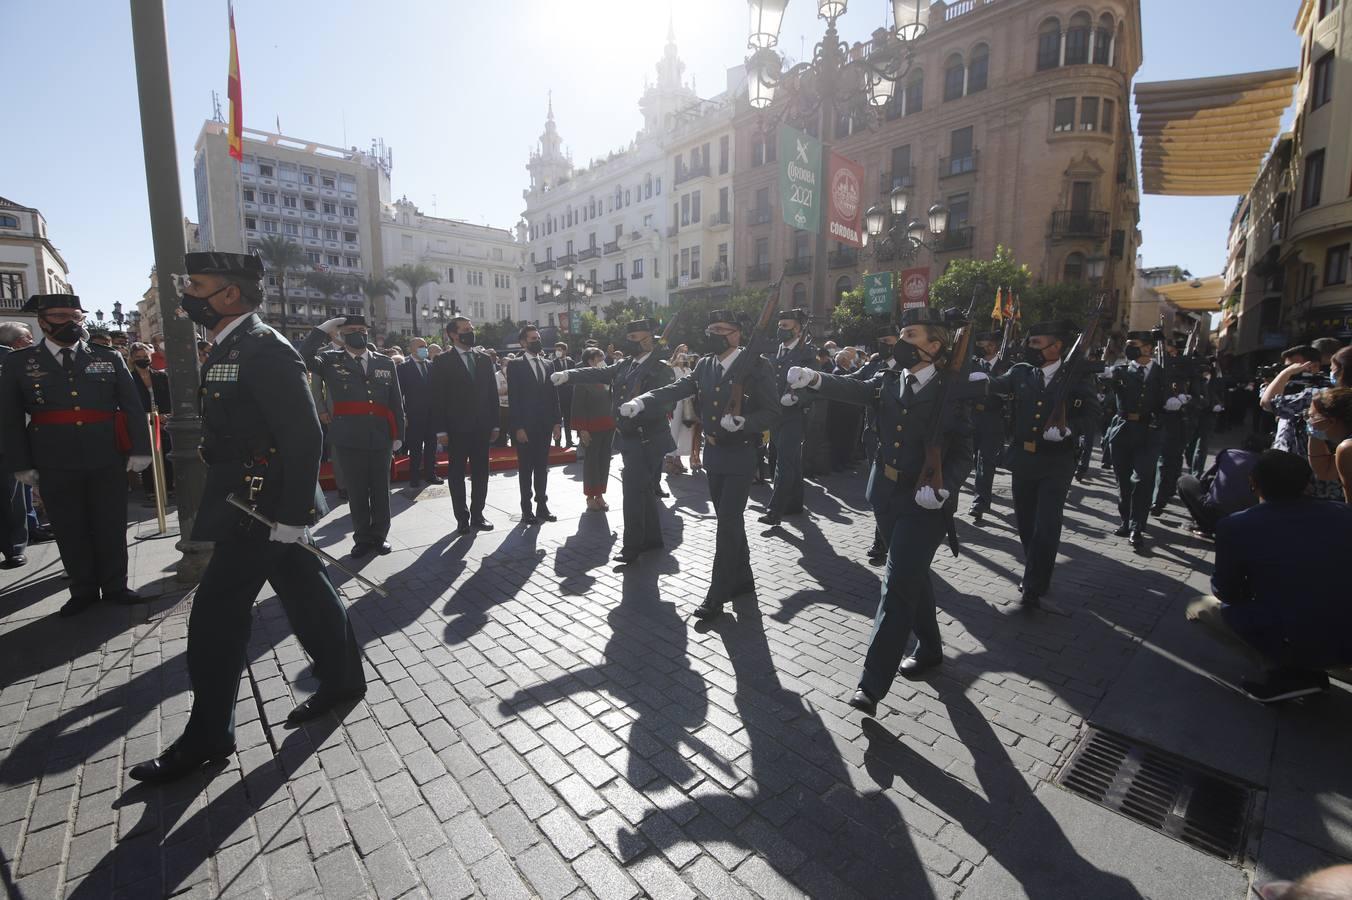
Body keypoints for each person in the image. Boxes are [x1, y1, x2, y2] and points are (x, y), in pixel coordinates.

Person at [129, 251, 365, 783]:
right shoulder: (231, 344)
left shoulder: (263, 347)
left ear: (230, 294)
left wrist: (293, 515)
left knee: (213, 617)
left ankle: (209, 736)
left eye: (199, 285)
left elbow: (305, 434)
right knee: (308, 593)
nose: (189, 294)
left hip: (264, 507)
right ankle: (344, 679)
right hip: (248, 498)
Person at [788, 307, 974, 716]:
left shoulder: (954, 389)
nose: (900, 343)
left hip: (924, 500)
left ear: (934, 345)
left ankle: (871, 684)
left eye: (910, 335)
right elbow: (854, 390)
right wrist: (816, 378)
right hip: (885, 493)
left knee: (896, 582)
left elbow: (964, 452)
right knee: (911, 574)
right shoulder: (890, 379)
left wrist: (946, 485)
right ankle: (930, 648)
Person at [0, 295, 151, 615]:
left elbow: (132, 406)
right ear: (42, 321)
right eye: (60, 316)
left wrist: (140, 449)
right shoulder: (20, 362)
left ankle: (115, 585)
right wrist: (20, 463)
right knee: (69, 526)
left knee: (111, 522)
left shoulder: (107, 357)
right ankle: (82, 590)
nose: (70, 323)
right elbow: (10, 417)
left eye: (75, 317)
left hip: (105, 453)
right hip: (53, 457)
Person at [623, 310, 778, 619]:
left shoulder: (757, 365)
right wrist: (645, 400)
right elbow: (680, 389)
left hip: (740, 454)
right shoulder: (706, 364)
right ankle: (743, 580)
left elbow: (773, 412)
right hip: (715, 455)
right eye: (711, 328)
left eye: (721, 328)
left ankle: (717, 594)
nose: (714, 333)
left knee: (727, 524)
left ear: (736, 333)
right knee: (729, 521)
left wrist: (745, 421)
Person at [1186, 450, 1352, 702]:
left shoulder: (1236, 526)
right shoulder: (1344, 513)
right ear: (1309, 484)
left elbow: (1226, 591)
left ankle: (1285, 671)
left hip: (1297, 637)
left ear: (1253, 483)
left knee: (1199, 607)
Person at [982, 321, 1100, 608]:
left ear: (1056, 346)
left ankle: (1035, 581)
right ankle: (1036, 566)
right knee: (1025, 522)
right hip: (1024, 458)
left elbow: (1094, 416)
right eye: (1030, 342)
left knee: (1046, 524)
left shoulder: (1077, 377)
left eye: (1037, 343)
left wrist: (1069, 428)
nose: (1029, 348)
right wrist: (972, 377)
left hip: (1056, 461)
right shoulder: (1022, 373)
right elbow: (993, 386)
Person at [554, 319, 675, 560]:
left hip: (648, 439)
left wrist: (640, 407)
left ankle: (632, 546)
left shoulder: (660, 368)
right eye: (628, 338)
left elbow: (666, 402)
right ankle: (652, 539)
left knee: (632, 491)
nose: (628, 342)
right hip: (628, 437)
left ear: (649, 339)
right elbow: (597, 372)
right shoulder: (625, 365)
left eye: (634, 338)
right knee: (644, 488)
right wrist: (568, 375)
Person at [301, 315, 405, 556]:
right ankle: (362, 538)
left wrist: (398, 433)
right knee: (356, 490)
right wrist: (322, 330)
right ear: (342, 334)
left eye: (362, 329)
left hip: (380, 434)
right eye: (352, 330)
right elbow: (302, 357)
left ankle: (379, 535)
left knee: (380, 488)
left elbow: (395, 401)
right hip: (348, 435)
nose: (359, 333)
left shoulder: (385, 362)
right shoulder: (329, 360)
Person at [432, 317, 500, 534]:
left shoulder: (484, 359)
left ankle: (478, 514)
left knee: (481, 472)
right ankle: (462, 517)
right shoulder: (442, 361)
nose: (470, 332)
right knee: (456, 473)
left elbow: (492, 394)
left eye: (471, 329)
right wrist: (441, 430)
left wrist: (495, 424)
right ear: (453, 334)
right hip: (456, 429)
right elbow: (438, 399)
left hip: (482, 427)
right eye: (465, 330)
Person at [1104, 330, 1171, 549]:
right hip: (1123, 430)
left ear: (1148, 348)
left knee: (1142, 479)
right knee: (1123, 480)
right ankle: (1125, 520)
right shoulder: (1120, 371)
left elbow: (1168, 399)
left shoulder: (1162, 373)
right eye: (1128, 343)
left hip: (1149, 432)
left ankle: (1137, 526)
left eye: (1134, 344)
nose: (1129, 347)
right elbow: (1105, 380)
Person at [760, 309, 815, 526]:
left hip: (793, 415)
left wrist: (797, 398)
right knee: (791, 461)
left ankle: (775, 511)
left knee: (783, 463)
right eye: (779, 325)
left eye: (786, 326)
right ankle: (795, 503)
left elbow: (813, 383)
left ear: (798, 329)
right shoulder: (775, 350)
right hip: (775, 414)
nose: (780, 329)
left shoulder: (807, 352)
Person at [507, 325, 562, 524]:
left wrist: (557, 422)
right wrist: (518, 427)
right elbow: (514, 398)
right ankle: (526, 509)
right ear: (523, 342)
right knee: (526, 469)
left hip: (545, 426)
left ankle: (542, 506)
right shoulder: (515, 365)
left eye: (538, 337)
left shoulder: (548, 364)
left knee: (542, 467)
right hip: (526, 428)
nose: (537, 340)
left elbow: (553, 395)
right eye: (532, 338)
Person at [1176, 434, 1265, 538]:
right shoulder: (1265, 464)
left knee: (1184, 480)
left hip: (1215, 512)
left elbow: (1204, 479)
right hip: (1243, 519)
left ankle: (1204, 526)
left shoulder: (1228, 453)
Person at [1152, 334, 1202, 515]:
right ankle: (1157, 496)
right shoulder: (1154, 368)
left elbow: (1199, 398)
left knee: (1168, 462)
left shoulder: (1188, 372)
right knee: (1156, 463)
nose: (1166, 355)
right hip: (1156, 420)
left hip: (1178, 423)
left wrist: (1186, 399)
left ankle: (1159, 499)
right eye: (1162, 351)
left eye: (1170, 352)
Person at [0, 322, 34, 568]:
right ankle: (13, 547)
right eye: (27, 337)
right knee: (10, 495)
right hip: (8, 437)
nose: (32, 340)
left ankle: (30, 528)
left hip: (20, 434)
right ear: (17, 342)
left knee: (23, 491)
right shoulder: (9, 361)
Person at [967, 331, 1007, 525]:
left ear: (997, 345)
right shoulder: (975, 364)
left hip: (992, 419)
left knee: (986, 462)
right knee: (966, 458)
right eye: (983, 342)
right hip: (972, 417)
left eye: (989, 343)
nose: (985, 346)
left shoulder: (1007, 366)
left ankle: (980, 502)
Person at [568, 347, 615, 509]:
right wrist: (582, 430)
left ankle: (600, 494)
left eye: (603, 357)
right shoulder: (583, 379)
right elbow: (577, 407)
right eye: (599, 358)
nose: (602, 361)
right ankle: (590, 497)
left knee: (604, 462)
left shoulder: (606, 377)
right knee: (591, 463)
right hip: (591, 428)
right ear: (590, 361)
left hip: (608, 426)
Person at [128, 341, 174, 506]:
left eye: (145, 356)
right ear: (132, 359)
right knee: (148, 455)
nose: (142, 359)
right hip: (143, 423)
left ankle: (168, 487)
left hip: (162, 422)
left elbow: (169, 399)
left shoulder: (161, 376)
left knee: (165, 453)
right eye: (138, 357)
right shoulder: (129, 379)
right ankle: (151, 490)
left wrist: (165, 416)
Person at [397, 336, 443, 489]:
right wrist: (403, 415)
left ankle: (431, 474)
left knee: (431, 445)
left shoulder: (432, 366)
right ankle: (414, 477)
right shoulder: (403, 368)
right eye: (420, 346)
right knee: (415, 448)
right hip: (414, 415)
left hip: (432, 414)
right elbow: (399, 394)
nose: (424, 348)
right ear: (412, 349)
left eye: (425, 346)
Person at [1308, 386, 1352, 502]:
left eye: (1312, 417)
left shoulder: (1347, 449)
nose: (1309, 423)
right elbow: (1325, 471)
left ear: (1331, 420)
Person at [1186, 361, 1226, 478]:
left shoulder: (1216, 381)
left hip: (1208, 416)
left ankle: (1197, 474)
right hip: (1193, 415)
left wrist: (1220, 405)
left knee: (1202, 446)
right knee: (1190, 445)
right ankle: (1190, 466)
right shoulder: (1193, 380)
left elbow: (1222, 395)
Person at [664, 347, 695, 475]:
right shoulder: (671, 369)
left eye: (685, 354)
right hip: (675, 403)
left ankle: (678, 458)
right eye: (681, 354)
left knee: (686, 431)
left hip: (687, 403)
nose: (683, 356)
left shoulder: (689, 370)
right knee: (674, 429)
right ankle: (669, 459)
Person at [552, 341, 575, 449]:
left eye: (560, 350)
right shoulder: (552, 363)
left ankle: (569, 441)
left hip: (569, 395)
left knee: (568, 420)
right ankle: (557, 443)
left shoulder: (571, 362)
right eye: (556, 350)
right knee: (557, 420)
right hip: (557, 396)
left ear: (565, 350)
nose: (558, 352)